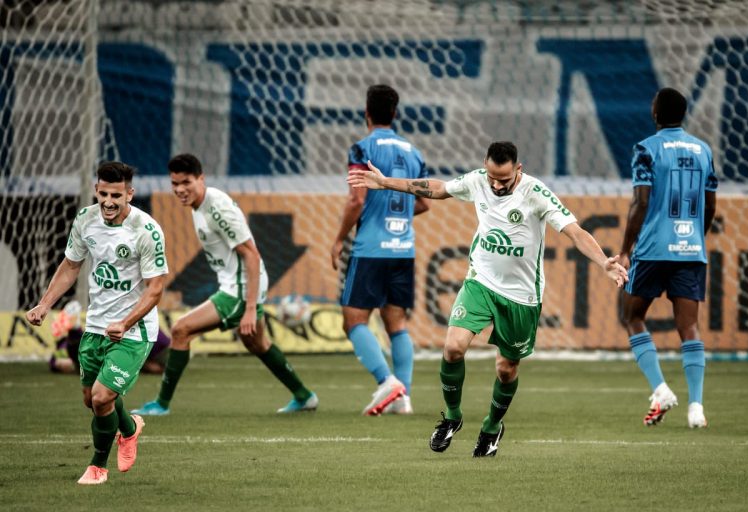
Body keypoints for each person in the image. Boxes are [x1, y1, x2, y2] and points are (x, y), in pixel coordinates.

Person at [348, 141, 628, 456]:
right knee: (453, 348)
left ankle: (492, 427)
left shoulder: (536, 193)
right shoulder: (478, 180)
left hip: (521, 296)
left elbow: (575, 231)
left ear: (518, 170)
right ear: (485, 165)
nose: (496, 185)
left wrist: (603, 261)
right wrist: (386, 183)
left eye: (504, 180)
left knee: (506, 369)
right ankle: (452, 418)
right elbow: (438, 189)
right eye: (492, 177)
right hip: (480, 282)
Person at [133, 154, 317, 416]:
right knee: (257, 344)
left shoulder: (217, 208)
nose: (180, 189)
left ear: (201, 178)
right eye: (175, 184)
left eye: (186, 182)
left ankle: (161, 404)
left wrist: (250, 307)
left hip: (241, 290)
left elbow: (252, 254)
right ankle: (304, 395)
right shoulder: (200, 205)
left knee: (181, 330)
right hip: (237, 285)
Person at [26, 161, 168, 484]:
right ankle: (130, 429)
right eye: (103, 193)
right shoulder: (85, 220)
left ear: (129, 194)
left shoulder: (146, 230)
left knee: (103, 397)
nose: (108, 201)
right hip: (96, 326)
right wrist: (45, 304)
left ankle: (97, 467)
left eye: (116, 195)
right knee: (91, 400)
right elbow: (71, 265)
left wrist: (126, 321)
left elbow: (156, 288)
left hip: (135, 329)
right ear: (96, 190)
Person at [619, 87, 717, 428]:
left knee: (631, 316)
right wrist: (692, 238)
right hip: (691, 250)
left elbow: (640, 202)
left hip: (652, 250)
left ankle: (660, 390)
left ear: (656, 113)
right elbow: (711, 205)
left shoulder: (646, 149)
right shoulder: (704, 150)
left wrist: (624, 251)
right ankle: (697, 408)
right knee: (689, 326)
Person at [330, 84, 430, 416]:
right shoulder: (414, 152)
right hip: (403, 249)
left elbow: (356, 199)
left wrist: (338, 239)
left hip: (371, 248)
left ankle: (387, 381)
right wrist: (393, 209)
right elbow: (424, 203)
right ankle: (404, 398)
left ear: (366, 113)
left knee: (353, 319)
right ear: (396, 113)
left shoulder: (362, 148)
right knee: (396, 322)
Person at [49, 300, 172, 375]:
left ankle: (70, 336)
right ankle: (73, 334)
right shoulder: (158, 348)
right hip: (136, 338)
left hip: (127, 332)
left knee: (90, 362)